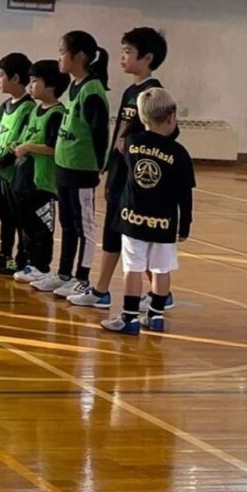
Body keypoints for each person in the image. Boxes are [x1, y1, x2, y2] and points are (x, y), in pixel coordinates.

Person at [68, 27, 173, 310]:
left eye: (128, 52)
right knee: (114, 232)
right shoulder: (130, 91)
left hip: (136, 179)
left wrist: (136, 145)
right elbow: (120, 134)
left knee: (135, 237)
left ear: (147, 57)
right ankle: (104, 290)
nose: (122, 57)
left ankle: (157, 294)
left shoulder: (155, 93)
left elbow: (168, 133)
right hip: (119, 173)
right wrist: (110, 168)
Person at [101, 88, 194, 335]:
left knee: (133, 267)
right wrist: (185, 225)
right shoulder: (180, 154)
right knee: (161, 269)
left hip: (133, 219)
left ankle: (130, 318)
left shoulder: (132, 144)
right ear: (172, 118)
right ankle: (156, 316)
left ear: (142, 117)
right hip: (164, 222)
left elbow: (125, 143)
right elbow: (185, 194)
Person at [32, 31, 109, 298]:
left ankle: (82, 278)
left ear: (79, 56)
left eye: (62, 52)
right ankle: (64, 273)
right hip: (64, 166)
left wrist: (98, 166)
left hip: (82, 170)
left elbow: (100, 134)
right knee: (67, 222)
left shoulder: (92, 90)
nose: (59, 58)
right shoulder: (76, 86)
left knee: (83, 225)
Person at [6, 60, 69, 286]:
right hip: (24, 178)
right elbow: (27, 137)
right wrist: (17, 145)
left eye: (34, 81)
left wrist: (28, 147)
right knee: (26, 224)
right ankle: (28, 262)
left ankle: (41, 266)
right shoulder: (35, 110)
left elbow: (53, 147)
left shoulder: (57, 114)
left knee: (41, 226)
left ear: (50, 85)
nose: (30, 86)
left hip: (42, 182)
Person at [0, 52, 33, 275]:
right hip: (3, 174)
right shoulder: (4, 106)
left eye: (2, 75)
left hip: (17, 174)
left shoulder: (28, 108)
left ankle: (22, 258)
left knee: (20, 218)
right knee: (5, 217)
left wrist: (2, 161)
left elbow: (22, 142)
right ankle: (5, 254)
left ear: (15, 78)